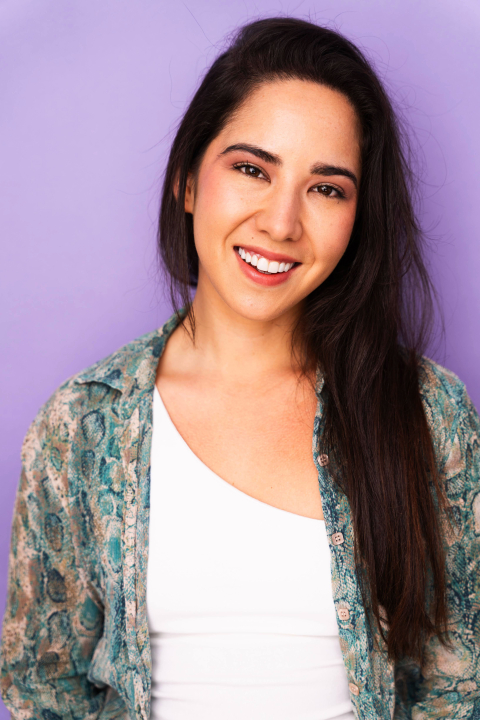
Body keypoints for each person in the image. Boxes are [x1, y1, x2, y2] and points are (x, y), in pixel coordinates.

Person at [1, 15, 479, 720]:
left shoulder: (426, 413)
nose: (281, 223)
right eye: (252, 169)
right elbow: (42, 689)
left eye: (327, 188)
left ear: (358, 219)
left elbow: (456, 682)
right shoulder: (83, 423)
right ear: (188, 182)